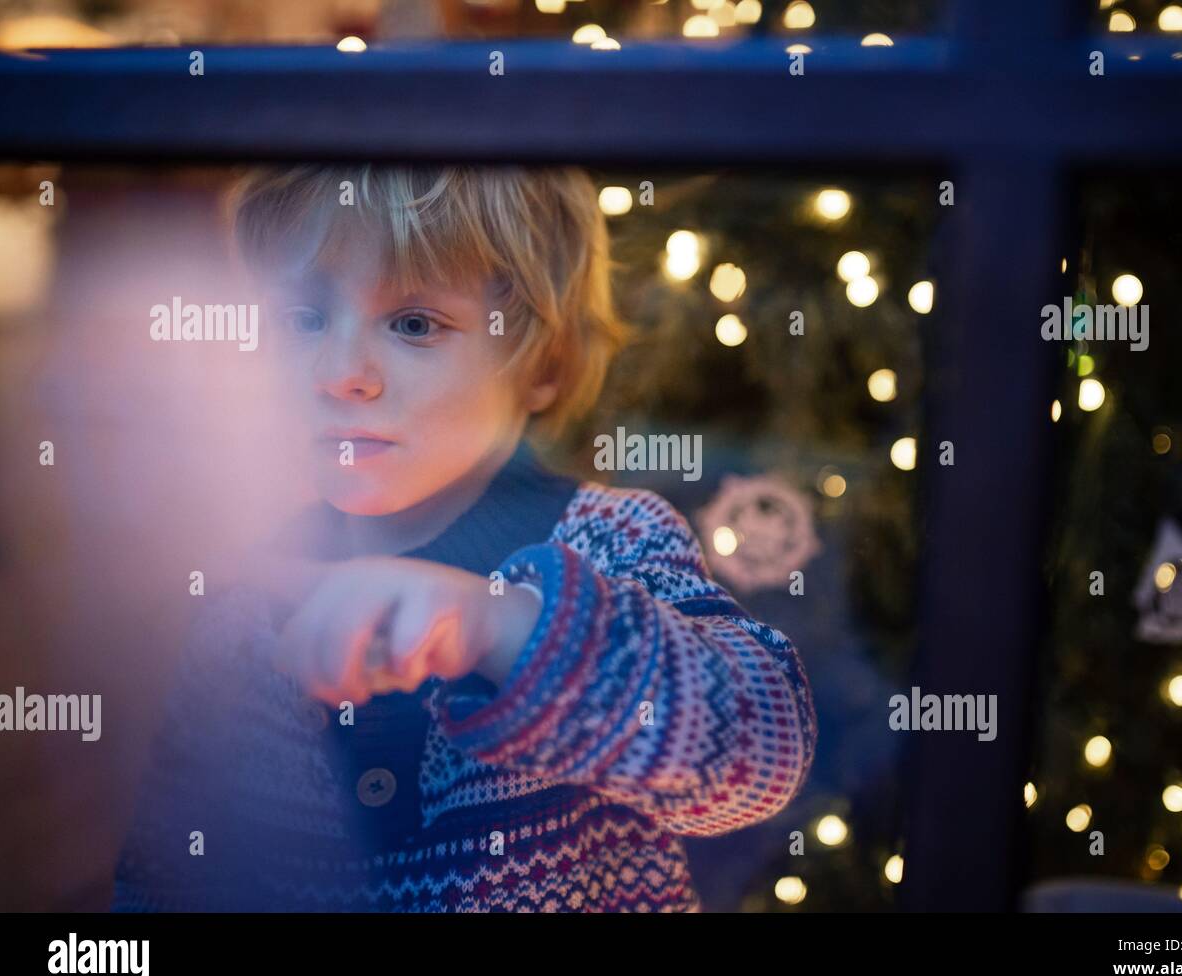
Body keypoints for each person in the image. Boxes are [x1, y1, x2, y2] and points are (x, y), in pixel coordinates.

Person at [111, 164, 817, 912]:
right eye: (303, 319)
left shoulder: (613, 539)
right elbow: (164, 877)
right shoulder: (245, 597)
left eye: (415, 323)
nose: (338, 371)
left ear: (543, 365)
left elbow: (760, 749)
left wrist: (499, 623)